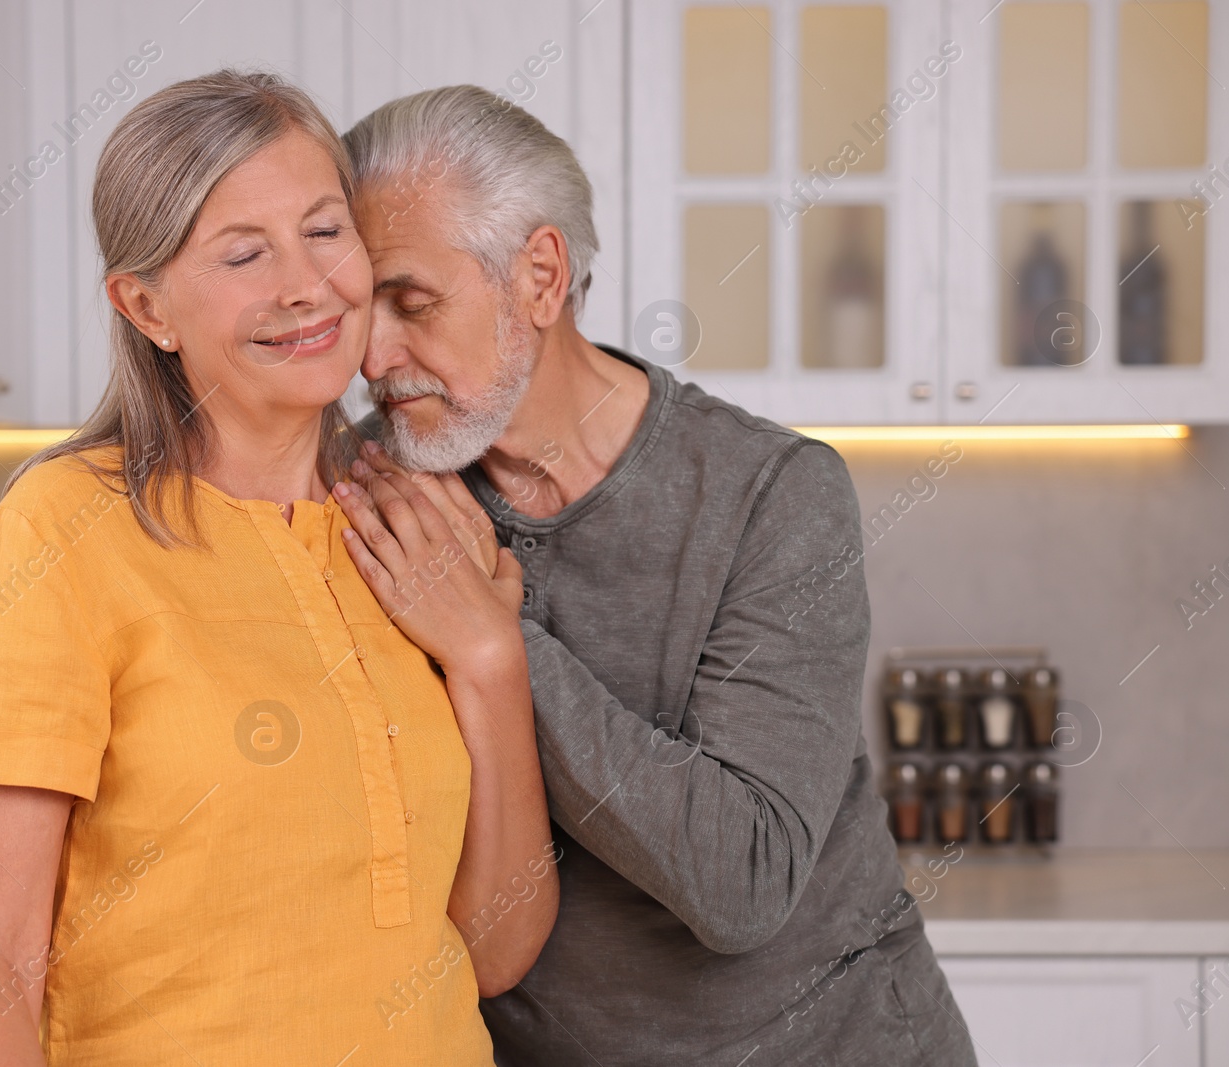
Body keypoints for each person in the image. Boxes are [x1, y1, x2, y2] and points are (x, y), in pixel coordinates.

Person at [0, 71, 556, 1067]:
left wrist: (488, 655)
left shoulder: (418, 526)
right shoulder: (60, 536)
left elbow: (493, 948)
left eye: (324, 230)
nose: (306, 284)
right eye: (243, 253)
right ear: (147, 306)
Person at [338, 85, 981, 1065]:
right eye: (356, 306)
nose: (371, 354)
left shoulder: (772, 495)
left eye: (411, 301)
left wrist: (493, 636)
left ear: (539, 278)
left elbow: (745, 882)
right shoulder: (371, 490)